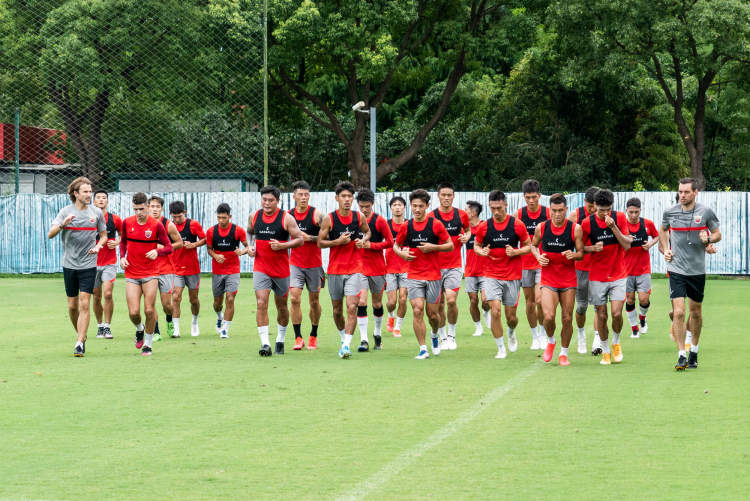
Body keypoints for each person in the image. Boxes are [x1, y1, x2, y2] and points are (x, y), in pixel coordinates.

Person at [659, 178, 721, 370]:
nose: (682, 195)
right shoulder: (670, 212)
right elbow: (663, 230)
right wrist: (665, 249)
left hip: (697, 271)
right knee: (678, 312)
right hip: (676, 269)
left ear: (695, 192)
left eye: (686, 192)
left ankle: (694, 349)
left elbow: (717, 234)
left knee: (695, 312)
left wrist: (708, 239)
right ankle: (681, 354)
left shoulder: (706, 212)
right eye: (680, 192)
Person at [48, 177, 107, 357]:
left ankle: (79, 342)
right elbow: (50, 234)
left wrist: (98, 246)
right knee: (72, 306)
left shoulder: (96, 213)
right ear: (76, 193)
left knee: (84, 303)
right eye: (85, 192)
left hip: (88, 265)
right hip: (69, 265)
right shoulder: (65, 212)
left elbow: (104, 235)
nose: (89, 195)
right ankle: (81, 334)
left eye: (90, 191)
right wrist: (63, 225)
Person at [393, 189, 453, 359]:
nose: (417, 209)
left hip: (433, 276)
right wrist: (402, 254)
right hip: (414, 275)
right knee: (417, 310)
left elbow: (450, 245)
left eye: (420, 206)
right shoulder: (406, 226)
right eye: (414, 206)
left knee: (433, 314)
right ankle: (423, 348)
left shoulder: (436, 225)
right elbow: (396, 245)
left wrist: (433, 247)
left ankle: (434, 334)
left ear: (427, 206)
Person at [247, 185, 304, 356]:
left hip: (281, 270)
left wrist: (283, 245)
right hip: (261, 267)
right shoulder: (254, 216)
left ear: (277, 201)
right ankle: (265, 344)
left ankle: (280, 338)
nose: (267, 203)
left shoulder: (286, 218)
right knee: (261, 302)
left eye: (271, 200)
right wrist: (250, 247)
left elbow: (300, 239)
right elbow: (249, 233)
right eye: (264, 199)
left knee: (282, 307)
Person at [474, 190, 531, 359]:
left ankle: (511, 332)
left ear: (505, 205)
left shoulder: (517, 225)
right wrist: (481, 252)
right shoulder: (484, 226)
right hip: (491, 274)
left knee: (511, 317)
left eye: (499, 208)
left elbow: (529, 246)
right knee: (495, 311)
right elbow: (476, 246)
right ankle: (500, 348)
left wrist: (516, 252)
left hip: (513, 275)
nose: (496, 211)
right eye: (493, 208)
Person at [317, 181, 371, 359]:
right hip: (334, 270)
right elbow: (320, 243)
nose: (347, 199)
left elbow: (367, 232)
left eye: (349, 196)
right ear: (337, 198)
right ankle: (343, 338)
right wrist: (337, 242)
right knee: (337, 310)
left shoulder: (359, 217)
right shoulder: (329, 219)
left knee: (352, 307)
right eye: (343, 196)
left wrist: (363, 240)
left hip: (355, 269)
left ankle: (346, 345)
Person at [530, 194, 584, 366]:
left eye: (561, 210)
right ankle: (551, 340)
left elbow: (581, 253)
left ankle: (563, 353)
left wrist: (573, 255)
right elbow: (532, 245)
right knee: (548, 316)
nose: (557, 214)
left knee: (567, 318)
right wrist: (538, 256)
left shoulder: (575, 228)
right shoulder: (541, 227)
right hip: (549, 278)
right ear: (550, 211)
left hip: (568, 279)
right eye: (554, 211)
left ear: (566, 209)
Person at [580, 189, 632, 365]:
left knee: (616, 313)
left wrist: (613, 227)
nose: (605, 213)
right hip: (597, 276)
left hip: (618, 274)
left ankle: (616, 343)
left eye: (608, 209)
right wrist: (592, 248)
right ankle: (605, 350)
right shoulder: (587, 223)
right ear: (595, 206)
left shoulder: (620, 218)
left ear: (612, 207)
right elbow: (579, 249)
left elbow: (627, 245)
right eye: (601, 210)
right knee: (601, 315)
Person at [119, 192, 174, 356]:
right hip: (132, 273)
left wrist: (158, 252)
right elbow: (123, 242)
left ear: (147, 207)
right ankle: (139, 328)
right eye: (135, 209)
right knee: (134, 312)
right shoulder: (127, 223)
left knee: (149, 310)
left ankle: (148, 344)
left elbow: (169, 247)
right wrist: (122, 257)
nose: (139, 213)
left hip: (151, 273)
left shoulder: (156, 225)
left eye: (141, 209)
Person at [354, 188, 394, 351]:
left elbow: (390, 242)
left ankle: (377, 334)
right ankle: (363, 340)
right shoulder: (354, 220)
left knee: (377, 303)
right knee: (361, 301)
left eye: (367, 206)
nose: (364, 209)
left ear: (372, 204)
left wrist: (372, 245)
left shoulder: (380, 221)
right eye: (361, 206)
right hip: (359, 267)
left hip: (377, 267)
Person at [431, 182, 470, 350]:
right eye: (443, 195)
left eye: (449, 195)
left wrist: (467, 237)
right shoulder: (431, 216)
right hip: (435, 266)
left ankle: (452, 336)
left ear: (454, 196)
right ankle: (443, 337)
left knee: (451, 300)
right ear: (438, 196)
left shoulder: (461, 215)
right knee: (439, 304)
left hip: (454, 265)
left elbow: (468, 230)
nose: (446, 198)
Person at [288, 180, 325, 350]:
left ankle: (313, 335)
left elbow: (329, 238)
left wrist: (309, 238)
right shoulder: (288, 216)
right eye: (300, 195)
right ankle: (298, 337)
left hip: (314, 265)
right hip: (295, 264)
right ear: (294, 196)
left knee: (314, 301)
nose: (303, 197)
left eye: (306, 195)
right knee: (294, 298)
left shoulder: (317, 215)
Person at [206, 203, 249, 339]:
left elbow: (248, 247)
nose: (221, 220)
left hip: (233, 270)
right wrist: (215, 256)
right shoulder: (211, 231)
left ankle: (225, 329)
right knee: (217, 303)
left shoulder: (238, 230)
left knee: (230, 298)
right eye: (218, 217)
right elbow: (209, 249)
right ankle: (220, 316)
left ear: (229, 216)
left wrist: (242, 252)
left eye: (224, 218)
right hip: (217, 271)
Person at [517, 179, 550, 350]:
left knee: (540, 300)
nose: (531, 201)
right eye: (528, 197)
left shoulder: (548, 213)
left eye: (534, 197)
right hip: (524, 265)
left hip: (542, 264)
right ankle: (535, 336)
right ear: (524, 197)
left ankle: (543, 334)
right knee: (529, 302)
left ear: (539, 196)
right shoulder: (519, 215)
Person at [568, 186, 599, 354]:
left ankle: (597, 341)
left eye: (596, 206)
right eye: (590, 206)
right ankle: (581, 334)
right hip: (580, 268)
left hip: (599, 267)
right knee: (581, 307)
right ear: (585, 202)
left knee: (599, 306)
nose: (594, 210)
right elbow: (567, 239)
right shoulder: (575, 215)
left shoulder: (605, 215)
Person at [147, 196, 183, 340]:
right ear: (148, 207)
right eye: (152, 206)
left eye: (157, 207)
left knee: (167, 304)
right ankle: (155, 331)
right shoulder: (142, 223)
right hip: (148, 269)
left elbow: (179, 243)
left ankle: (169, 319)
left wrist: (162, 248)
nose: (155, 209)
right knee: (150, 303)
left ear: (162, 209)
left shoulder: (168, 224)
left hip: (166, 269)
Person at [169, 200, 206, 338]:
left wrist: (194, 244)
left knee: (193, 299)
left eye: (179, 216)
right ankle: (176, 329)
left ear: (184, 212)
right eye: (174, 217)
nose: (177, 219)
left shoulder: (193, 224)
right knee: (176, 297)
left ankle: (194, 322)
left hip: (192, 268)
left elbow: (205, 239)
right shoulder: (169, 226)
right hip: (176, 268)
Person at [623, 197, 659, 338]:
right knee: (630, 299)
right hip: (626, 270)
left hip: (643, 268)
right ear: (626, 210)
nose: (633, 215)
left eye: (636, 212)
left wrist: (650, 244)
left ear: (640, 211)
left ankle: (642, 318)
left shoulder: (647, 224)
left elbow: (657, 236)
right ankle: (634, 328)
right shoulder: (622, 225)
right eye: (631, 212)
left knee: (644, 299)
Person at [92, 190, 121, 340]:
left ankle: (108, 326)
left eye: (104, 198)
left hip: (109, 263)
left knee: (108, 294)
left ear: (107, 201)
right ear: (94, 201)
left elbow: (123, 235)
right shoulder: (89, 218)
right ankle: (100, 326)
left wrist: (117, 242)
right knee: (96, 297)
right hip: (91, 263)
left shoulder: (115, 219)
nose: (101, 200)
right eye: (98, 197)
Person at [463, 200, 490, 337]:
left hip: (486, 271)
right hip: (470, 271)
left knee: (486, 300)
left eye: (466, 210)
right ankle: (478, 327)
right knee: (473, 300)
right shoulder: (465, 229)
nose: (464, 213)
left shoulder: (485, 226)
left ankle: (486, 311)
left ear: (473, 212)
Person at [385, 196, 409, 338]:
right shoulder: (386, 225)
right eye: (394, 205)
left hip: (407, 268)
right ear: (391, 208)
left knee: (403, 299)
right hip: (390, 269)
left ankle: (397, 327)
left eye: (400, 205)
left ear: (404, 207)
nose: (397, 207)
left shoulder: (410, 225)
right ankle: (390, 315)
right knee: (391, 302)